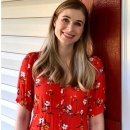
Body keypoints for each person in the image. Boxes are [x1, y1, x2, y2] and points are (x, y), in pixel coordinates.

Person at [15, 0, 106, 130]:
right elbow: (23, 116)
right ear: (54, 21)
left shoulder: (93, 66)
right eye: (65, 20)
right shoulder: (32, 61)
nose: (70, 28)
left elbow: (96, 121)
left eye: (78, 23)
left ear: (83, 30)